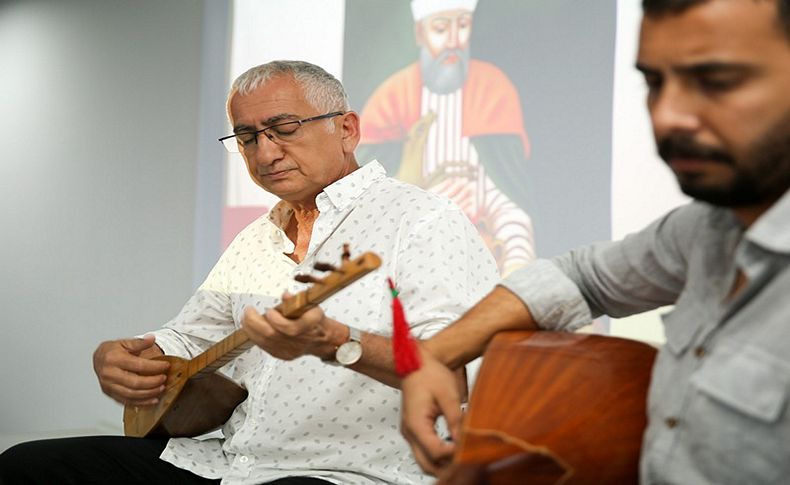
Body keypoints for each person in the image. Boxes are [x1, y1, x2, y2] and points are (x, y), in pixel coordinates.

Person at [0, 61, 498, 484]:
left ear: (346, 129)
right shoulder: (258, 237)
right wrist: (127, 358)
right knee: (27, 468)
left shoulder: (423, 221)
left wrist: (336, 341)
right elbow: (191, 336)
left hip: (350, 474)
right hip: (230, 464)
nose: (265, 153)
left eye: (284, 130)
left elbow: (459, 375)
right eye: (246, 137)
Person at [400, 0, 790, 483]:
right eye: (654, 82)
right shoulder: (710, 226)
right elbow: (582, 277)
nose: (668, 116)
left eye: (717, 82)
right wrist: (434, 356)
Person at [357, 0, 535, 275]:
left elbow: (507, 201)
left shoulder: (494, 89)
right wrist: (430, 200)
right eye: (441, 29)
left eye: (463, 26)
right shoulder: (391, 98)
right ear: (420, 33)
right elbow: (373, 207)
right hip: (411, 254)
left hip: (487, 250)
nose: (454, 41)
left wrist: (515, 264)